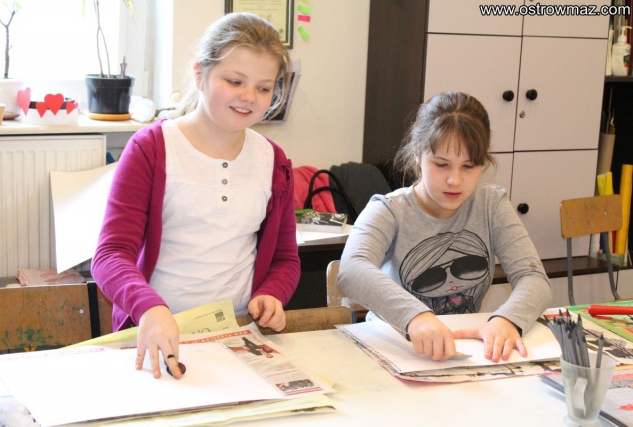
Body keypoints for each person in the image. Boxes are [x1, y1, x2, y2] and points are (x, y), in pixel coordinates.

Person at [91, 12, 300, 379]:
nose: (249, 97)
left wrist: (272, 293)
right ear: (200, 74)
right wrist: (149, 308)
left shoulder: (274, 160)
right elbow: (110, 255)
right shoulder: (151, 148)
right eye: (234, 81)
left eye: (264, 88)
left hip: (237, 332)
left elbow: (285, 258)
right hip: (158, 331)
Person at [337, 92, 551, 364]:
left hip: (465, 352)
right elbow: (351, 269)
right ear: (417, 155)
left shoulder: (491, 205)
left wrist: (507, 320)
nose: (454, 180)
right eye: (441, 164)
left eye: (468, 166)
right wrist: (415, 316)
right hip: (395, 350)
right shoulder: (389, 210)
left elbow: (534, 278)